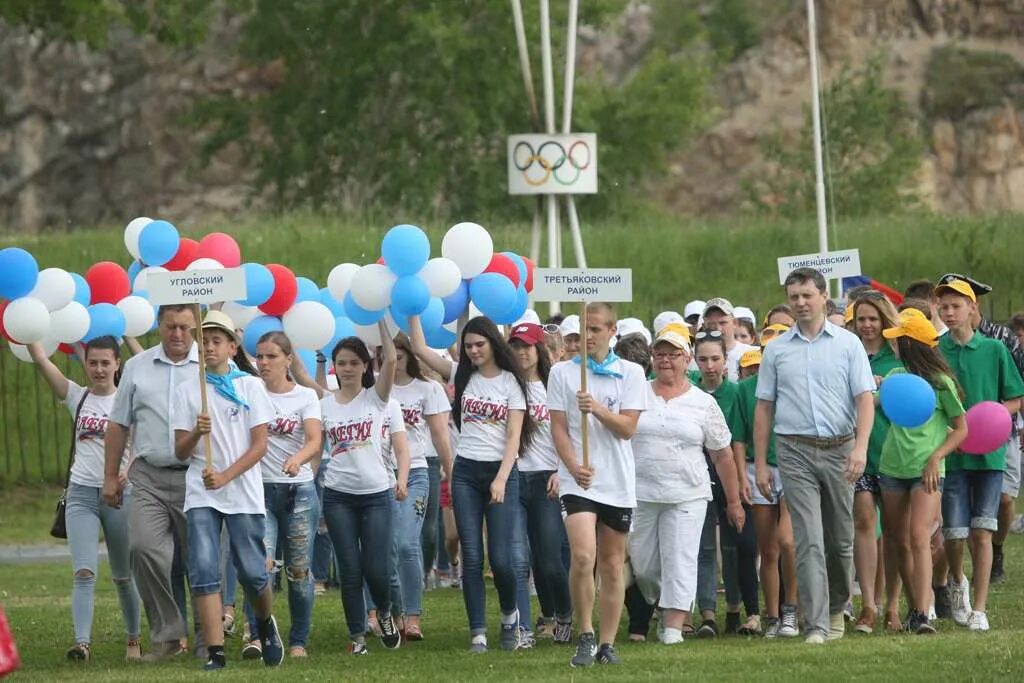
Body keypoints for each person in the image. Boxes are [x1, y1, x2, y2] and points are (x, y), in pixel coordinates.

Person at [754, 267, 875, 644]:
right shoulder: (776, 350)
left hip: (840, 447)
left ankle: (838, 605)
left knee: (840, 539)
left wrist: (860, 446)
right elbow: (764, 408)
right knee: (806, 539)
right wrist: (761, 462)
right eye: (794, 297)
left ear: (824, 297)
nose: (801, 303)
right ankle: (817, 623)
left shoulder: (848, 344)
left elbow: (864, 399)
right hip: (794, 450)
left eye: (807, 295)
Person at [409, 315, 534, 653]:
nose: (475, 351)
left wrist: (502, 479)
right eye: (468, 346)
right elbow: (420, 349)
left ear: (494, 343)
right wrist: (413, 307)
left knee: (503, 559)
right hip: (465, 472)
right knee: (472, 556)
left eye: (480, 344)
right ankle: (477, 631)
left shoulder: (511, 382)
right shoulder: (461, 374)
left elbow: (514, 436)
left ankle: (510, 615)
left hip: (501, 473)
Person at [171, 311, 282, 670]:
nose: (209, 346)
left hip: (241, 490)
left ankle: (265, 623)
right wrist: (196, 433)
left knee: (252, 571)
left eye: (217, 340)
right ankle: (215, 652)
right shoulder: (188, 389)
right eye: (203, 341)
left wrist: (226, 476)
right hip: (202, 492)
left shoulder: (250, 387)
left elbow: (260, 445)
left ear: (233, 347)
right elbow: (179, 451)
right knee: (203, 567)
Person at [28, 337, 142, 662]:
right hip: (80, 494)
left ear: (118, 364)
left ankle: (133, 640)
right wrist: (35, 341)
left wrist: (126, 474)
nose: (99, 369)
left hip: (120, 497)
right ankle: (82, 644)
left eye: (106, 362)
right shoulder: (78, 398)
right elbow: (43, 362)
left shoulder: (128, 401)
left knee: (123, 575)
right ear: (85, 364)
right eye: (93, 362)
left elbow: (142, 447)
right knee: (83, 572)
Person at [629, 326, 744, 645]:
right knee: (644, 565)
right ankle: (660, 601)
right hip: (641, 493)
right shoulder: (636, 394)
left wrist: (733, 502)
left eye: (673, 355)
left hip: (688, 494)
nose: (666, 361)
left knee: (681, 557)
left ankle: (673, 628)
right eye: (660, 354)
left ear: (687, 359)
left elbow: (722, 455)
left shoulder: (702, 403)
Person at [549, 302, 648, 667]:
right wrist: (572, 466)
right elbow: (557, 427)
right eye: (583, 330)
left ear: (611, 331)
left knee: (610, 564)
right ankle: (586, 632)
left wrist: (599, 410)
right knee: (583, 555)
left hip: (617, 480)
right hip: (580, 480)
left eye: (595, 329)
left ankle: (607, 643)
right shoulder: (561, 373)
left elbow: (628, 428)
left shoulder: (632, 373)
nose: (588, 337)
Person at [103, 304, 200, 662]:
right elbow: (118, 424)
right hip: (149, 476)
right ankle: (169, 636)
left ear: (196, 329)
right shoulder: (136, 367)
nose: (177, 335)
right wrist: (110, 476)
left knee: (202, 560)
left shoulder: (212, 366)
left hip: (198, 478)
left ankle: (209, 637)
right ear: (158, 326)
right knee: (143, 549)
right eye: (171, 326)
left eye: (185, 328)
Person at [935, 279, 1024, 632]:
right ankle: (959, 583)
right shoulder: (936, 350)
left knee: (982, 531)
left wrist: (996, 416)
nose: (949, 312)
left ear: (973, 308)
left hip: (989, 456)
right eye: (943, 307)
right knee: (955, 534)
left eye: (956, 306)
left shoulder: (994, 350)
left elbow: (1016, 396)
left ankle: (980, 609)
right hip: (952, 455)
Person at [878, 308, 968, 635]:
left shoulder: (941, 383)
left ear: (910, 343)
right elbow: (872, 402)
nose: (892, 345)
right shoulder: (893, 379)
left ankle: (922, 612)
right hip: (891, 468)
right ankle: (914, 606)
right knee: (898, 539)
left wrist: (936, 458)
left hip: (927, 471)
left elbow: (961, 429)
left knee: (919, 536)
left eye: (897, 340)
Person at [318, 325, 404, 654]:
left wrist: (380, 318)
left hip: (377, 496)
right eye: (342, 363)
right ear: (335, 368)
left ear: (366, 366)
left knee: (377, 569)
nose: (348, 368)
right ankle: (356, 637)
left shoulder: (377, 398)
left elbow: (393, 359)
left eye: (355, 362)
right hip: (339, 496)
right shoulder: (326, 405)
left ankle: (383, 611)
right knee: (350, 569)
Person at [238, 332, 322, 658]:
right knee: (260, 567)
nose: (263, 363)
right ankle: (259, 636)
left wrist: (298, 458)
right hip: (258, 491)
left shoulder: (305, 397)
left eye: (271, 356)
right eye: (259, 356)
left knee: (299, 572)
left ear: (289, 359)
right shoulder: (250, 391)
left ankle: (298, 639)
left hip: (297, 492)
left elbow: (315, 439)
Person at [508, 323, 573, 645]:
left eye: (527, 346)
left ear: (539, 350)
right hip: (514, 478)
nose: (522, 352)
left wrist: (562, 471)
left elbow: (569, 435)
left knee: (549, 560)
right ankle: (526, 625)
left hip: (547, 477)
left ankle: (564, 615)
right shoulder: (507, 386)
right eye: (516, 347)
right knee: (520, 558)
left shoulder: (556, 387)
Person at [386, 333, 454, 639]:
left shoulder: (428, 388)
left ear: (410, 356)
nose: (394, 362)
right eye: (389, 356)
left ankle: (412, 615)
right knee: (383, 545)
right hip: (379, 474)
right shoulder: (374, 389)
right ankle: (385, 611)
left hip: (416, 470)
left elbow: (440, 433)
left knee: (409, 541)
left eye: (400, 356)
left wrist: (451, 472)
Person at [692, 330, 758, 637]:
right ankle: (708, 614)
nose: (709, 366)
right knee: (704, 547)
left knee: (735, 545)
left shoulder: (737, 393)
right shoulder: (690, 391)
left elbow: (741, 437)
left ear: (725, 360)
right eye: (703, 359)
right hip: (698, 473)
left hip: (730, 472)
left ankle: (736, 608)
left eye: (715, 359)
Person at [733, 346, 800, 639]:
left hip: (793, 465)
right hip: (756, 468)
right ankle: (772, 616)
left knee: (788, 541)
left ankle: (792, 611)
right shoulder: (745, 389)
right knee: (769, 548)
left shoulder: (797, 383)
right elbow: (737, 438)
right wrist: (741, 477)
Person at [850, 291, 902, 633]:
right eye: (861, 319)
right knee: (865, 524)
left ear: (885, 320)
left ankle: (893, 606)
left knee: (895, 532)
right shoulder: (848, 354)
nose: (867, 325)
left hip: (895, 456)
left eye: (873, 319)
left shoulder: (900, 357)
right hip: (857, 456)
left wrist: (888, 390)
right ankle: (867, 604)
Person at [702, 298, 756, 382]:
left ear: (734, 323)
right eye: (711, 324)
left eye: (723, 323)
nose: (718, 329)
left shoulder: (753, 354)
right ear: (704, 326)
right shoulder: (694, 359)